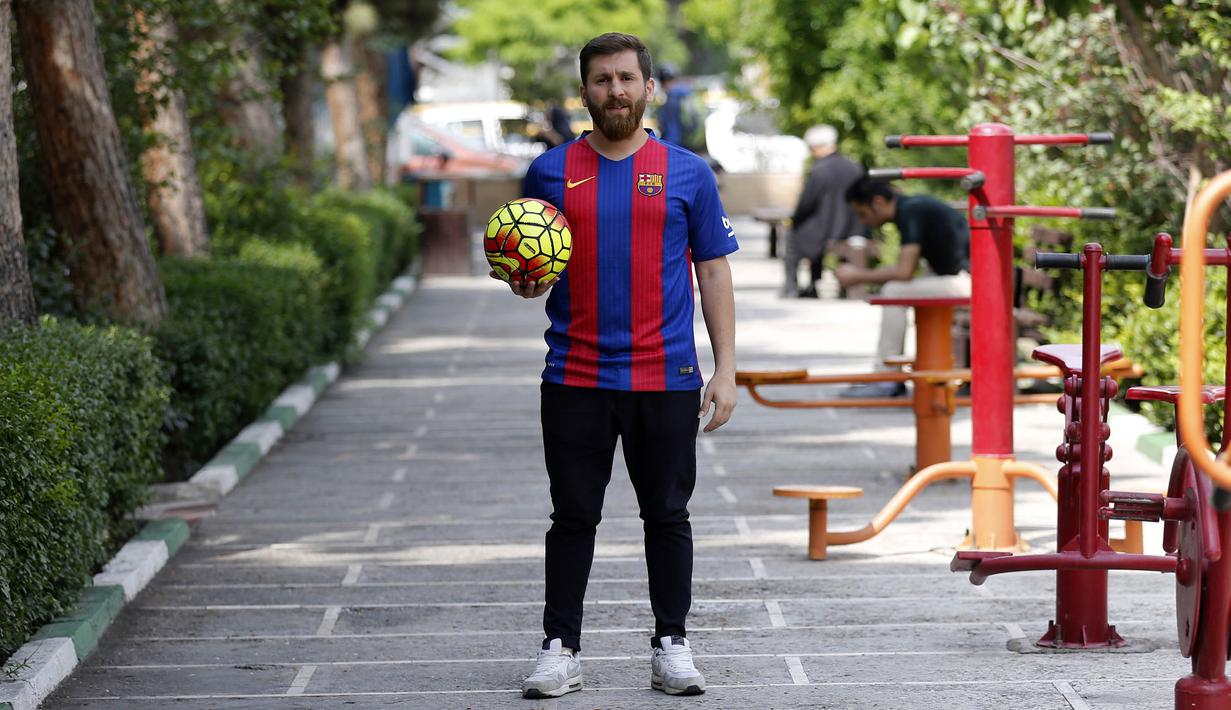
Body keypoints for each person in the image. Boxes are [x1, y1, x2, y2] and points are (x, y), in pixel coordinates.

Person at [494, 32, 738, 699]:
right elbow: (531, 266)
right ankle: (558, 647)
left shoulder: (688, 172)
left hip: (666, 376)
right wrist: (524, 283)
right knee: (571, 515)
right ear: (584, 91)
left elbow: (712, 270)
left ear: (648, 87)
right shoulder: (547, 172)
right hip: (573, 374)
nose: (615, 91)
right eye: (601, 80)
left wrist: (726, 369)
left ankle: (671, 644)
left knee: (668, 514)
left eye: (626, 78)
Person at [837, 177, 970, 398]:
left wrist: (857, 275)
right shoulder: (912, 208)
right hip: (968, 280)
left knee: (894, 291)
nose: (864, 221)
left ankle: (887, 378)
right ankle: (887, 375)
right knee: (896, 288)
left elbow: (904, 272)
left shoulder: (911, 212)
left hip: (970, 282)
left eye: (863, 213)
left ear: (878, 202)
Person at [781, 125, 866, 298]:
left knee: (792, 237)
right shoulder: (855, 166)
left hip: (825, 230)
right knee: (805, 234)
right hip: (853, 228)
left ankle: (793, 287)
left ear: (816, 147)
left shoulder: (818, 170)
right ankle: (816, 285)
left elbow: (806, 204)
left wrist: (794, 220)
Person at [656, 64, 706, 154]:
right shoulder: (689, 93)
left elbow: (671, 131)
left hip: (676, 147)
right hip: (693, 144)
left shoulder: (671, 99)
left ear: (663, 82)